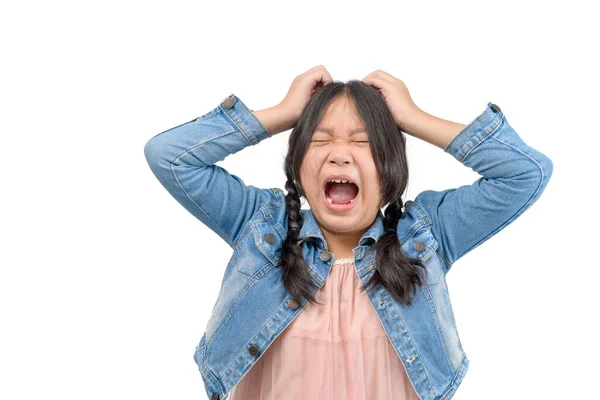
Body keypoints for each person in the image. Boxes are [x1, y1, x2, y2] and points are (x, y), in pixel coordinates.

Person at [144, 66, 553, 400]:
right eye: (320, 140)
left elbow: (525, 174)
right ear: (298, 167)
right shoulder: (261, 230)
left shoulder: (423, 237)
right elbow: (169, 157)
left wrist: (414, 118)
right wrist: (284, 114)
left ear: (390, 169)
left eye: (362, 142)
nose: (340, 153)